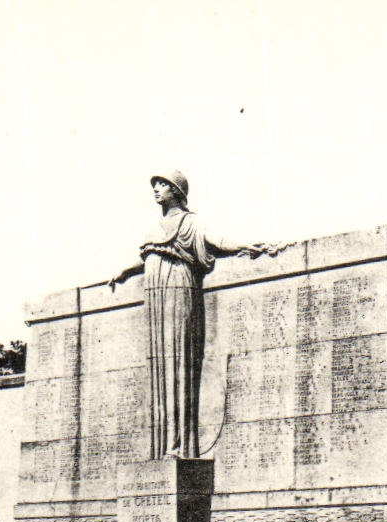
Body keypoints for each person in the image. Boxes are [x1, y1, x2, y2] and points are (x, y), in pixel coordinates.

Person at [109, 171, 279, 458]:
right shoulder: (153, 229)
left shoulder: (191, 223)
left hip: (180, 289)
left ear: (176, 191)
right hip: (155, 297)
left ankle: (180, 446)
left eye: (162, 185)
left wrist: (245, 246)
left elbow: (219, 241)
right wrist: (124, 272)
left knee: (179, 364)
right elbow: (145, 258)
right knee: (160, 366)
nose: (156, 189)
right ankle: (160, 448)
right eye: (154, 185)